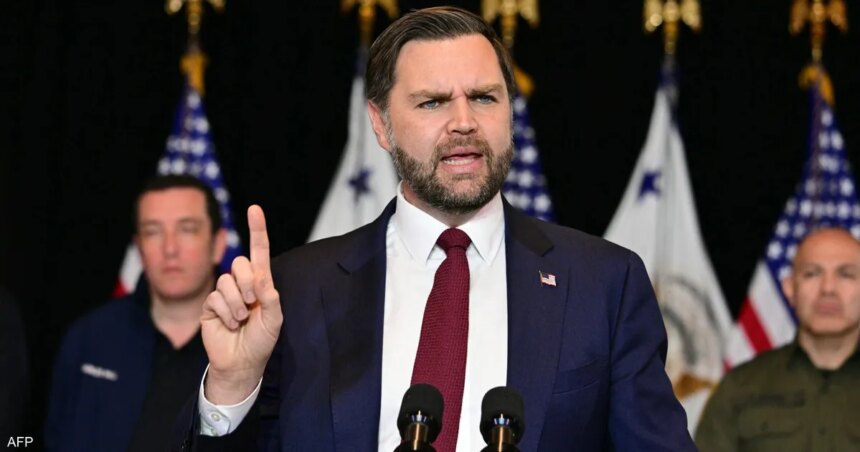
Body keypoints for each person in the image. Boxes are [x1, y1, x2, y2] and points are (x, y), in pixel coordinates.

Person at [177, 7, 694, 451]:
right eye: (432, 102)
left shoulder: (603, 285)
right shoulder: (297, 290)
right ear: (380, 124)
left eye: (484, 97)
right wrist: (232, 386)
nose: (464, 121)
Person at [46, 175, 227, 451]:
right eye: (153, 231)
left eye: (187, 229)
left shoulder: (248, 346)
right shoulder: (90, 337)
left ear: (218, 245)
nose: (169, 248)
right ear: (139, 247)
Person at [696, 227, 860, 451]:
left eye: (846, 274)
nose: (828, 288)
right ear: (790, 288)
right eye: (812, 273)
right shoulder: (741, 386)